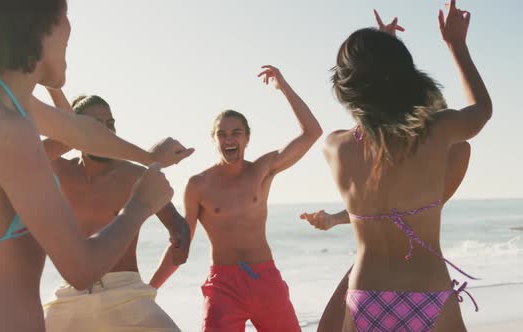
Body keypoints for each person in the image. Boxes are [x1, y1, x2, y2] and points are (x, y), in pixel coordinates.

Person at [0, 1, 192, 331]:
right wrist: (141, 203)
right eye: (62, 13)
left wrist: (148, 157)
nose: (70, 26)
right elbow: (81, 268)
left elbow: (80, 131)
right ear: (34, 25)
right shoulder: (5, 128)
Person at [314, 2, 491, 330]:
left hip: (366, 295)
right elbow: (481, 109)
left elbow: (375, 116)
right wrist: (456, 45)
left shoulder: (334, 146)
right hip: (427, 291)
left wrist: (381, 62)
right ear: (405, 78)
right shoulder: (438, 132)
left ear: (343, 87)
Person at [151, 65, 323, 331]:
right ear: (214, 139)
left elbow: (312, 132)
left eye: (235, 133)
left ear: (247, 138)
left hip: (266, 280)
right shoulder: (198, 185)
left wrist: (284, 88)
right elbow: (181, 240)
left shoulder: (262, 171)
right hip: (224, 285)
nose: (228, 139)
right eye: (222, 134)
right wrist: (150, 289)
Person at [41, 90, 189, 331]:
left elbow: (176, 223)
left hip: (126, 292)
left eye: (110, 124)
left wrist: (182, 237)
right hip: (71, 294)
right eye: (96, 125)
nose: (106, 131)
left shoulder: (135, 175)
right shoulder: (58, 170)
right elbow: (43, 140)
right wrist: (54, 89)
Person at [302, 141, 471, 332]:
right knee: (327, 327)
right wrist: (334, 219)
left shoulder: (440, 160)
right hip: (385, 274)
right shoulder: (387, 157)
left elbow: (460, 144)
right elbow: (377, 209)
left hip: (405, 279)